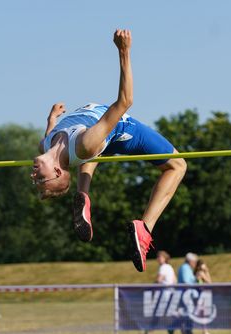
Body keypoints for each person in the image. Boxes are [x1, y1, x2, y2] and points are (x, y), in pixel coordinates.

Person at [31, 29, 187, 272]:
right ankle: (145, 228)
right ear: (58, 172)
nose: (33, 175)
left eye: (35, 180)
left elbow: (49, 136)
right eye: (41, 179)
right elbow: (125, 101)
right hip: (124, 130)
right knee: (178, 165)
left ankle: (84, 194)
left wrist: (51, 119)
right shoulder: (84, 144)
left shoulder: (47, 144)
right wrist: (124, 52)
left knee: (90, 149)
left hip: (92, 143)